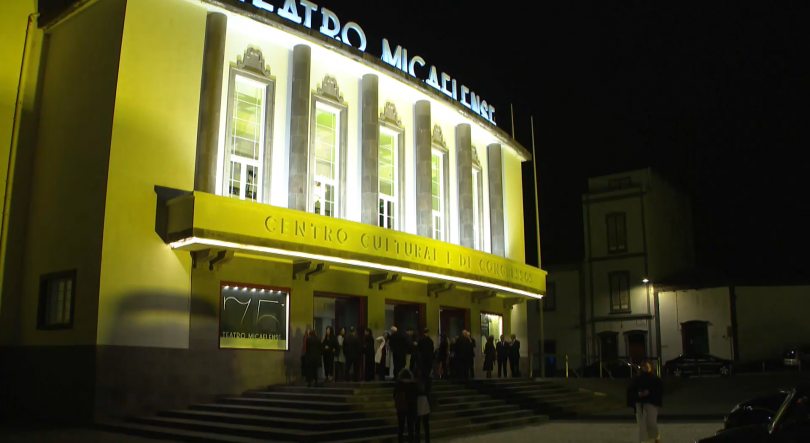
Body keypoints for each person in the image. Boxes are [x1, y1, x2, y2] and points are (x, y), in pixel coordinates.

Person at [627, 361, 663, 443]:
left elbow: (660, 390)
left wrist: (649, 392)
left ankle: (656, 437)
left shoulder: (655, 379)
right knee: (642, 425)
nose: (647, 368)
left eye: (648, 367)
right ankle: (643, 441)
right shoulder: (637, 379)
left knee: (651, 423)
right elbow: (631, 390)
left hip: (651, 402)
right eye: (645, 367)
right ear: (642, 368)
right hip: (639, 403)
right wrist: (638, 394)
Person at [393, 368, 418, 443]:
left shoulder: (398, 384)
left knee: (401, 427)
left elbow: (394, 396)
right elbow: (416, 396)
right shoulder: (413, 385)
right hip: (411, 407)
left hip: (401, 407)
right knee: (410, 428)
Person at [415, 371, 433, 443]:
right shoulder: (426, 380)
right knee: (425, 424)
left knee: (418, 424)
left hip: (420, 400)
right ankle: (426, 440)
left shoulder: (417, 382)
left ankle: (418, 440)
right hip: (424, 400)